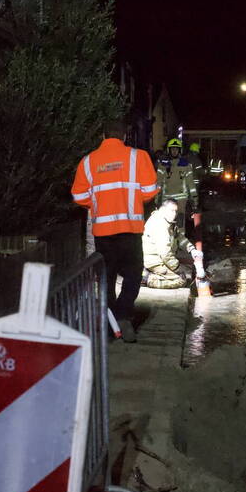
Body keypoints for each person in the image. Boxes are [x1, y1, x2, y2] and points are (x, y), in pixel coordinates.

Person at [72, 124, 158, 342]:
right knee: (133, 274)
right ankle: (123, 315)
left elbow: (79, 196)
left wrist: (98, 202)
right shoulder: (139, 157)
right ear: (125, 136)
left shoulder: (88, 161)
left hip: (103, 232)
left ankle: (109, 320)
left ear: (103, 136)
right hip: (130, 229)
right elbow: (149, 191)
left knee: (107, 276)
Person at [142, 199, 203, 289]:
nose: (174, 214)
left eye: (175, 211)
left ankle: (151, 273)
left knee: (182, 274)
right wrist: (177, 268)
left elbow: (180, 238)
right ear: (163, 209)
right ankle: (148, 279)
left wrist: (192, 249)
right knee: (181, 280)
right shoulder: (159, 224)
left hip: (161, 259)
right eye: (171, 210)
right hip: (155, 261)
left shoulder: (168, 222)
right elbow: (165, 253)